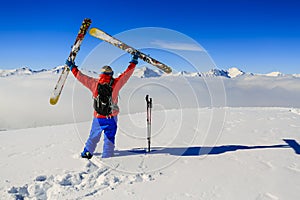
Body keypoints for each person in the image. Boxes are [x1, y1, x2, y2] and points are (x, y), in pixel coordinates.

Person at [66, 53, 139, 159]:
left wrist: (72, 67)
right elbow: (126, 75)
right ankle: (107, 155)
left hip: (98, 117)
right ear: (111, 74)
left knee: (93, 136)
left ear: (101, 74)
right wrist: (134, 62)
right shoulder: (116, 84)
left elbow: (80, 77)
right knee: (109, 137)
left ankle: (87, 153)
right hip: (111, 117)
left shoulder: (93, 83)